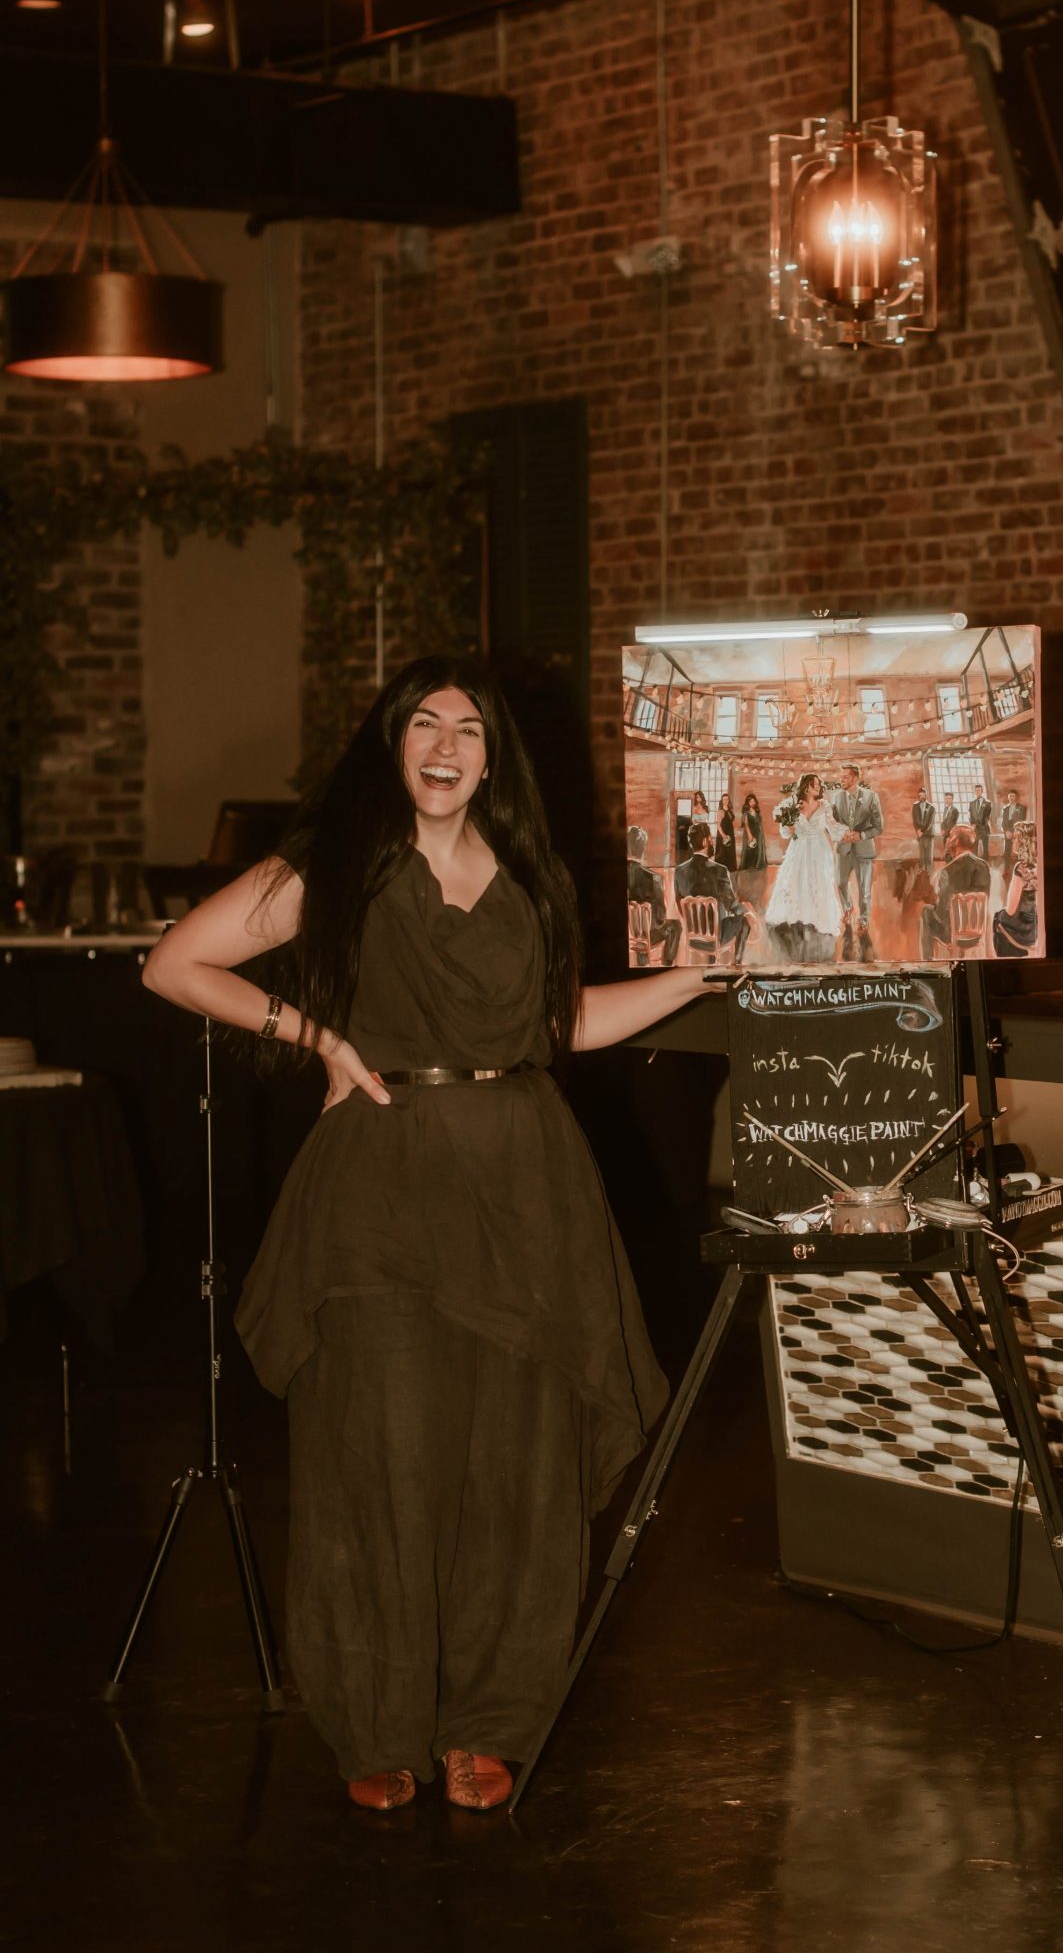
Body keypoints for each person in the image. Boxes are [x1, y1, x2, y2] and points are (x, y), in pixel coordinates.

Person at [141, 656, 708, 1814]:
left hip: (527, 1191)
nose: (446, 743)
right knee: (378, 1457)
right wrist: (324, 1042)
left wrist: (698, 976)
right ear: (391, 743)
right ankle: (377, 1720)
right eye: (422, 723)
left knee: (520, 1462)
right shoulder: (337, 864)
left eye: (468, 727)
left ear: (494, 754)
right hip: (383, 1190)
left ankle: (495, 1720)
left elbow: (563, 1024)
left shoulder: (533, 873)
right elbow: (176, 962)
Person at [764, 771, 841, 965]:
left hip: (819, 850)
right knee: (795, 882)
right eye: (816, 784)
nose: (819, 787)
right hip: (798, 849)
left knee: (818, 883)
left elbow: (833, 827)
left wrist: (850, 834)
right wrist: (787, 828)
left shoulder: (824, 806)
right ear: (807, 787)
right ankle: (797, 919)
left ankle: (816, 920)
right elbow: (784, 832)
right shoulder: (792, 804)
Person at [677, 818, 751, 963]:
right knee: (744, 922)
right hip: (717, 934)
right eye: (710, 838)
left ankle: (711, 958)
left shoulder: (680, 871)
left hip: (694, 937)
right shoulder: (719, 870)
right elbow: (731, 904)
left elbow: (679, 903)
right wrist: (747, 911)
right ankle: (737, 963)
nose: (712, 842)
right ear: (705, 841)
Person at [831, 762, 884, 964]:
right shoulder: (836, 798)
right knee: (840, 882)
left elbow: (879, 827)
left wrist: (860, 834)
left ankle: (863, 919)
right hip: (843, 849)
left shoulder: (871, 797)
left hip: (863, 849)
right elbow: (831, 823)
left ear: (854, 777)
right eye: (841, 776)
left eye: (845, 776)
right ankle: (847, 908)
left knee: (865, 889)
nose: (841, 779)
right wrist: (841, 834)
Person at [917, 824, 988, 961]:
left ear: (955, 841)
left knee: (927, 910)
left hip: (953, 933)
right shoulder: (983, 866)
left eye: (950, 837)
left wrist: (934, 900)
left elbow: (942, 911)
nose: (947, 840)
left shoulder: (947, 871)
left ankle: (927, 960)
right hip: (977, 933)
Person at [626, 825, 681, 966]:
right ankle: (666, 965)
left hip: (627, 935)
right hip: (647, 935)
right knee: (675, 926)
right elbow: (660, 917)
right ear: (644, 849)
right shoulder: (653, 878)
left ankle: (642, 961)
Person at [991, 821, 1037, 958]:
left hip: (1022, 929)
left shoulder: (1020, 868)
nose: (1014, 842)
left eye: (1018, 838)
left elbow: (1010, 910)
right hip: (1034, 925)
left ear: (1025, 841)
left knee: (997, 918)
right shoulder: (1039, 864)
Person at [737, 791, 767, 907]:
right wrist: (750, 836)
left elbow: (759, 824)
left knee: (757, 851)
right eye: (751, 801)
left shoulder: (756, 812)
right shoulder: (746, 813)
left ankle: (756, 864)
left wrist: (759, 836)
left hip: (758, 834)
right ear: (747, 802)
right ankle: (748, 867)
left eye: (754, 801)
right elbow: (746, 826)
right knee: (750, 850)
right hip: (750, 834)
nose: (753, 803)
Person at [911, 783, 937, 876]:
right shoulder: (915, 806)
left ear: (926, 795)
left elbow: (930, 822)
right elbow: (914, 820)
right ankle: (922, 871)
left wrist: (923, 831)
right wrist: (918, 830)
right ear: (918, 795)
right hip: (919, 834)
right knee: (922, 854)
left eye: (923, 794)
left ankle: (929, 872)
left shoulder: (932, 808)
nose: (922, 796)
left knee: (929, 854)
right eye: (920, 794)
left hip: (928, 833)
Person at [714, 795, 738, 874]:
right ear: (722, 801)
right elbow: (718, 825)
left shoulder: (730, 810)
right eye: (724, 799)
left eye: (727, 799)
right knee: (722, 851)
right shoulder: (720, 811)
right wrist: (723, 835)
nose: (726, 801)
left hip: (730, 832)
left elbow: (731, 821)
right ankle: (721, 869)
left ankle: (730, 868)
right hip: (722, 833)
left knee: (729, 851)